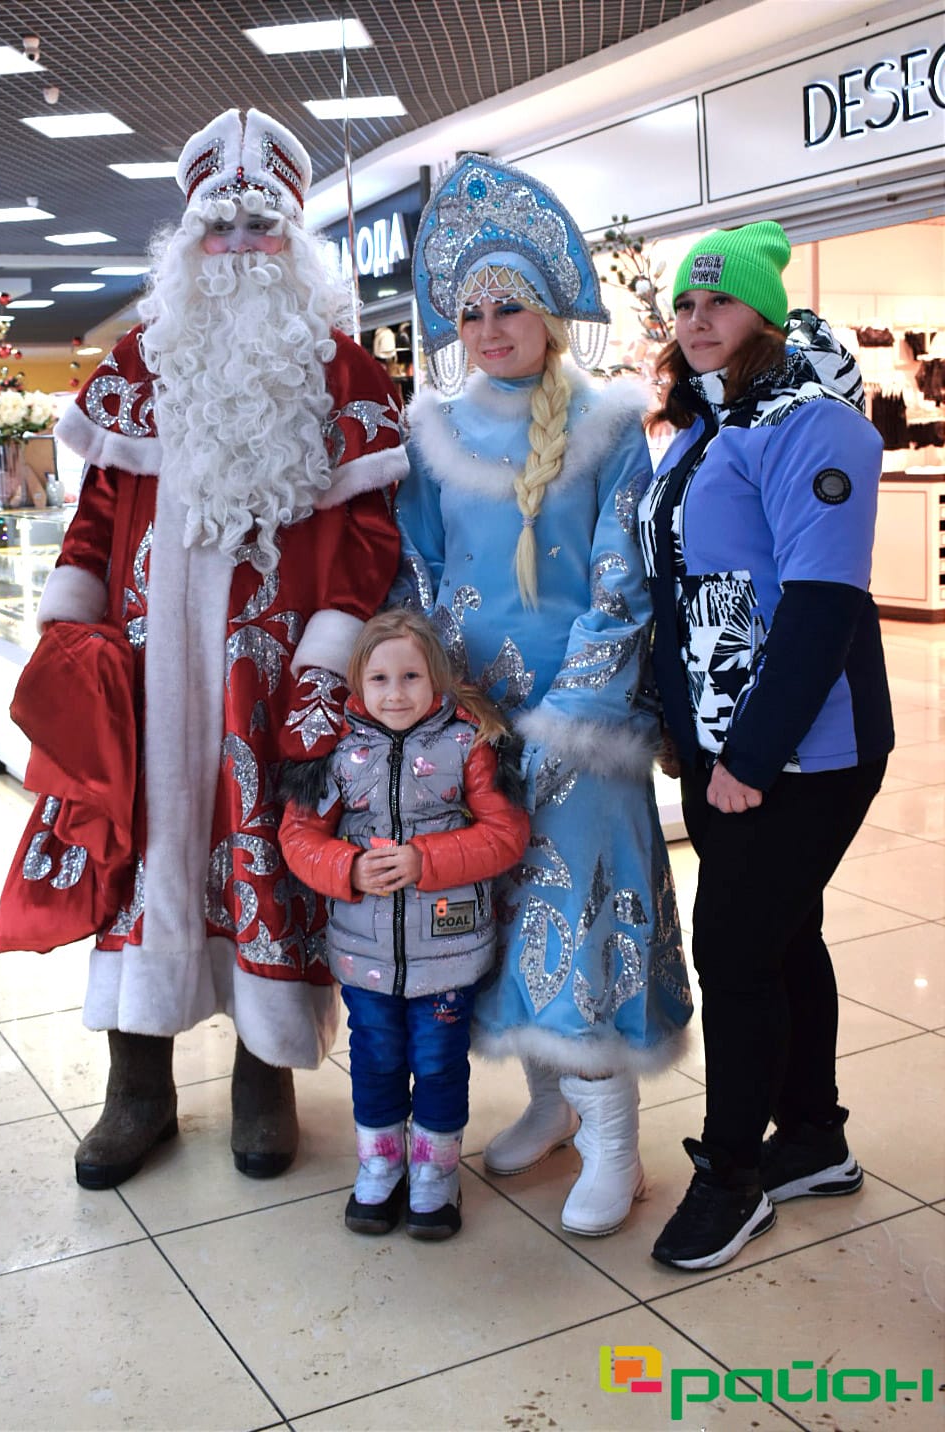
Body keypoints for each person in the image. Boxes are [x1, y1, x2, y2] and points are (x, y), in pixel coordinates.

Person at [0, 107, 407, 1189]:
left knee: (266, 851)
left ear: (293, 243)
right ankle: (138, 1086)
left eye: (259, 228)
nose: (237, 248)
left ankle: (266, 1076)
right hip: (144, 674)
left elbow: (370, 538)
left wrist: (328, 653)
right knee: (143, 857)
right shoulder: (142, 362)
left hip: (273, 675)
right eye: (218, 229)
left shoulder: (342, 374)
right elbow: (95, 518)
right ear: (187, 243)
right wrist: (68, 626)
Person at [394, 154, 693, 1239]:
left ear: (549, 314)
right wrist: (443, 707)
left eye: (509, 305)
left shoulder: (609, 428)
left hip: (585, 728)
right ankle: (550, 1101)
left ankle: (615, 1142)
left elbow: (625, 583)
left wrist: (573, 712)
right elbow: (418, 578)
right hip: (474, 726)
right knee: (501, 919)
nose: (489, 327)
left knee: (582, 909)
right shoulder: (432, 434)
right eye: (471, 311)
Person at [638, 221, 894, 1271]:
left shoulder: (814, 425)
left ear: (767, 316)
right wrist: (686, 729)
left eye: (722, 301)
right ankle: (816, 1137)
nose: (699, 319)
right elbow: (688, 593)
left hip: (805, 748)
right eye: (686, 303)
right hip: (721, 741)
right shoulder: (708, 425)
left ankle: (734, 1175)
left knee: (736, 952)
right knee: (786, 937)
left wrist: (748, 755)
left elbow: (822, 608)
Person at [279, 610, 529, 1239]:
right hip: (363, 954)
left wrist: (427, 860)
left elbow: (505, 835)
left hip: (448, 952)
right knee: (376, 1057)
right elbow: (298, 836)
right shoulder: (334, 751)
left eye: (411, 676)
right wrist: (347, 867)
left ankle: (436, 1173)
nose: (395, 693)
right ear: (357, 681)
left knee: (440, 1062)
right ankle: (381, 1166)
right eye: (380, 678)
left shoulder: (470, 743)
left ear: (436, 677)